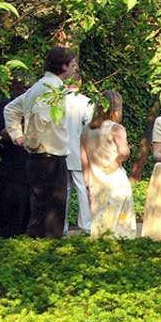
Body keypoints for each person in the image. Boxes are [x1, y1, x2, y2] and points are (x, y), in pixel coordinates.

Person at [4, 46, 79, 238]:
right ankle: (47, 251)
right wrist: (31, 141)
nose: (74, 68)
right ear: (63, 66)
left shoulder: (38, 87)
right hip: (48, 156)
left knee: (40, 210)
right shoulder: (51, 89)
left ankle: (39, 249)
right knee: (51, 213)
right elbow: (39, 116)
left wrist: (18, 136)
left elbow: (11, 109)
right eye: (72, 64)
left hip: (43, 156)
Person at [80, 90, 136, 238]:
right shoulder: (116, 129)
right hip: (115, 182)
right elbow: (124, 152)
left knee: (99, 224)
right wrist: (115, 162)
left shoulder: (86, 130)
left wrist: (86, 181)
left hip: (96, 183)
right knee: (121, 225)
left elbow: (84, 158)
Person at [0, 78, 30, 238]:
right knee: (8, 219)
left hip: (25, 172)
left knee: (26, 219)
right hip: (8, 173)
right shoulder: (4, 106)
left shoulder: (29, 107)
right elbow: (1, 134)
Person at [63, 73, 94, 234]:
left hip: (59, 152)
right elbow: (90, 128)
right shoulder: (86, 102)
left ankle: (62, 226)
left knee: (63, 190)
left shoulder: (56, 101)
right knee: (82, 189)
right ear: (80, 82)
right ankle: (86, 225)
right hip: (79, 152)